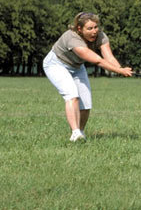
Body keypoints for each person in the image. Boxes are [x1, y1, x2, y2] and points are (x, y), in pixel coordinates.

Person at [43, 12, 132, 142]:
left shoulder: (101, 36)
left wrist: (121, 69)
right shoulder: (72, 38)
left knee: (85, 102)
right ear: (80, 29)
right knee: (72, 95)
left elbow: (109, 57)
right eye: (89, 28)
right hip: (56, 64)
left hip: (77, 66)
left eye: (96, 27)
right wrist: (120, 71)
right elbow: (98, 61)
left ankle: (81, 132)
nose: (94, 31)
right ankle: (75, 133)